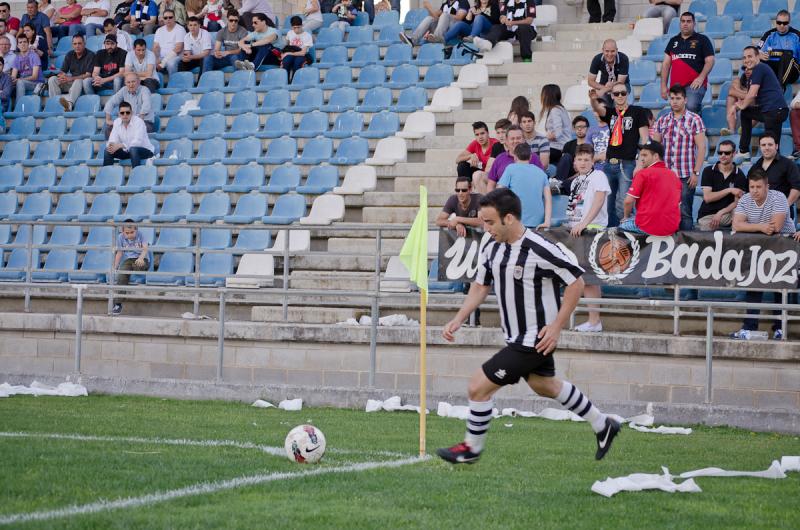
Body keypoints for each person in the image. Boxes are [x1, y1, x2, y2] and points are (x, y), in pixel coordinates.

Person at [436, 187, 621, 465]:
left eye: (489, 222)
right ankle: (602, 423)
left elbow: (576, 283)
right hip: (516, 337)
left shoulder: (539, 248)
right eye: (483, 222)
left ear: (508, 218)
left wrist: (557, 326)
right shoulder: (490, 245)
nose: (485, 228)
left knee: (478, 387)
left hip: (533, 339)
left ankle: (471, 450)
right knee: (544, 385)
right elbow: (480, 285)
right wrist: (458, 317)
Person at [730, 168, 796, 341]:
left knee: (779, 287)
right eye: (752, 187)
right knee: (754, 284)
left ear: (768, 186)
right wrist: (760, 227)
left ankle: (780, 328)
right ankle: (749, 327)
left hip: (782, 246)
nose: (754, 190)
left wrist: (752, 226)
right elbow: (737, 224)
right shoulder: (745, 198)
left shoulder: (779, 197)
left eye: (758, 187)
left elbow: (776, 227)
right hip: (758, 247)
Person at [589, 82, 650, 227]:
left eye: (623, 93)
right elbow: (598, 108)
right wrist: (593, 99)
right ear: (612, 96)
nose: (620, 96)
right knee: (607, 203)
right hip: (609, 163)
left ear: (627, 94)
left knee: (624, 202)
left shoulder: (638, 111)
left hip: (627, 163)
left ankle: (629, 234)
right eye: (616, 93)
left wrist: (640, 163)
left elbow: (645, 139)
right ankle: (611, 235)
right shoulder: (611, 113)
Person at [650, 84, 707, 231]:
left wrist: (696, 172)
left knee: (685, 212)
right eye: (672, 98)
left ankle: (686, 247)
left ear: (685, 100)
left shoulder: (694, 120)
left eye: (678, 98)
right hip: (666, 175)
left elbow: (701, 147)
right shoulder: (662, 120)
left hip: (686, 175)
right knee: (666, 211)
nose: (674, 101)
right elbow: (655, 149)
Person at [566, 144, 610, 332]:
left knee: (590, 277)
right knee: (583, 277)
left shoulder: (598, 176)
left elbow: (599, 200)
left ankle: (594, 321)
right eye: (580, 159)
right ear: (574, 162)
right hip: (577, 231)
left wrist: (584, 223)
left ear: (593, 161)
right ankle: (592, 320)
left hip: (592, 230)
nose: (583, 163)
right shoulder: (576, 180)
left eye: (586, 159)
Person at [736, 46, 790, 162]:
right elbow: (754, 98)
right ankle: (744, 150)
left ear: (757, 57)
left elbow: (752, 94)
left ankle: (777, 164)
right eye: (744, 57)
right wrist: (743, 105)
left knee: (771, 143)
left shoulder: (760, 68)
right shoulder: (755, 72)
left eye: (750, 56)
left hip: (775, 110)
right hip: (770, 110)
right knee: (745, 113)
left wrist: (741, 105)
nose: (747, 60)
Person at [620, 141, 681, 236]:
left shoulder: (643, 174)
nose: (641, 159)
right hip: (671, 228)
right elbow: (678, 205)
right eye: (641, 155)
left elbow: (628, 201)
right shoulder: (674, 175)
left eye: (645, 155)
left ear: (656, 156)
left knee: (618, 228)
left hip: (648, 227)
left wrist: (626, 217)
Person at [661, 12, 715, 114]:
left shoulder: (702, 40)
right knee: (677, 111)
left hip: (694, 85)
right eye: (683, 21)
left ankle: (697, 129)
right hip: (676, 86)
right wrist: (663, 86)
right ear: (680, 24)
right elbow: (666, 64)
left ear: (694, 24)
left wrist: (701, 78)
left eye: (688, 21)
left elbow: (710, 61)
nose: (685, 24)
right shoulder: (673, 41)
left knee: (690, 106)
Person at [696, 139, 747, 231]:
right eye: (720, 152)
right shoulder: (708, 170)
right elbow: (707, 198)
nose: (723, 155)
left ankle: (737, 242)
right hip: (707, 215)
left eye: (727, 153)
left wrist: (720, 213)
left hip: (726, 214)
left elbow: (737, 203)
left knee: (739, 212)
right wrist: (729, 190)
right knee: (707, 232)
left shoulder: (739, 175)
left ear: (734, 154)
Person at [498, 143, 551, 229]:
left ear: (515, 156)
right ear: (530, 157)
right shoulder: (541, 172)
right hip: (537, 222)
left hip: (515, 220)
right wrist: (547, 221)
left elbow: (499, 191)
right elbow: (548, 199)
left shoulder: (510, 168)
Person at [748, 132, 800, 206]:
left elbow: (797, 188)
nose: (766, 148)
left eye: (770, 144)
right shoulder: (755, 167)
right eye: (763, 145)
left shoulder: (788, 164)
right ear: (760, 147)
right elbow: (748, 189)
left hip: (780, 209)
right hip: (758, 210)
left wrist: (784, 207)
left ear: (776, 146)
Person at [486, 125, 542, 191]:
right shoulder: (499, 158)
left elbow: (541, 181)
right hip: (504, 198)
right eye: (512, 138)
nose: (515, 141)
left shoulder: (533, 157)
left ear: (524, 140)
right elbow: (491, 184)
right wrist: (492, 200)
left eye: (518, 138)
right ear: (506, 141)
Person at [47, 34, 94, 111]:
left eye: (79, 43)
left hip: (82, 84)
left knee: (78, 81)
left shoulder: (90, 55)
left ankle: (69, 105)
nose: (77, 46)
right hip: (71, 82)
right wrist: (61, 76)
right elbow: (63, 71)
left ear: (84, 44)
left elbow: (88, 75)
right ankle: (55, 104)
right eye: (75, 44)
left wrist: (71, 78)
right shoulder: (70, 54)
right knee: (52, 79)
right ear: (72, 45)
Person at [112, 221, 149, 315]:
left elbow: (145, 248)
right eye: (127, 233)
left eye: (132, 232)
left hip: (142, 258)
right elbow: (120, 253)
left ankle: (137, 265)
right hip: (129, 260)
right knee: (121, 274)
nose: (129, 235)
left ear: (136, 230)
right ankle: (118, 303)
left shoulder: (141, 235)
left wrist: (141, 258)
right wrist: (115, 266)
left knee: (138, 266)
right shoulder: (120, 237)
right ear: (123, 232)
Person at [757, 10, 800, 89]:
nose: (782, 25)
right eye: (779, 22)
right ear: (775, 22)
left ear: (789, 23)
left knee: (787, 55)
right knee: (756, 59)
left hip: (792, 71)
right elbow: (757, 51)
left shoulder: (797, 35)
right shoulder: (769, 34)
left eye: (785, 23)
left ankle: (779, 88)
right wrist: (759, 54)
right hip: (774, 69)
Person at [104, 100, 155, 168]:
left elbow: (137, 142)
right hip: (127, 151)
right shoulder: (116, 122)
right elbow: (112, 139)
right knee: (108, 150)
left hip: (145, 150)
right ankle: (107, 176)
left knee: (133, 149)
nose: (125, 115)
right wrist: (111, 145)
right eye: (122, 113)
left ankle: (136, 176)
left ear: (132, 113)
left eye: (127, 112)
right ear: (119, 114)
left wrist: (121, 145)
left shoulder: (138, 122)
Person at [588, 40, 629, 106]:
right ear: (603, 50)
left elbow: (620, 83)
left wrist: (604, 90)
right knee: (600, 105)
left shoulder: (623, 58)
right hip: (603, 85)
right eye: (607, 51)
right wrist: (604, 88)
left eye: (612, 51)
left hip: (622, 86)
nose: (609, 54)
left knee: (619, 102)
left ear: (617, 50)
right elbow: (590, 81)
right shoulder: (597, 59)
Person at [538, 84, 572, 165]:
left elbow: (558, 133)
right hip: (561, 147)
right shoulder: (561, 109)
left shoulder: (555, 110)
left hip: (557, 148)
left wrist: (545, 137)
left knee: (533, 156)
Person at [555, 116, 591, 187]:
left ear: (587, 128)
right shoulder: (568, 145)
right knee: (566, 156)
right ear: (574, 129)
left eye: (583, 127)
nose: (580, 129)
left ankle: (560, 185)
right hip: (566, 175)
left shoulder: (590, 146)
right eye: (577, 127)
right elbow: (563, 164)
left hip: (581, 175)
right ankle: (559, 184)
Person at [721, 66, 753, 138]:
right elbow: (731, 92)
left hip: (755, 106)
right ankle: (731, 130)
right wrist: (748, 94)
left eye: (750, 69)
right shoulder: (738, 79)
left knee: (755, 102)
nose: (746, 71)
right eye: (745, 69)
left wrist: (740, 93)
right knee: (730, 98)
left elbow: (755, 97)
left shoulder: (759, 80)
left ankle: (745, 128)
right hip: (740, 104)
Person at [152, 8, 185, 75]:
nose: (168, 19)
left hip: (176, 56)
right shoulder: (159, 30)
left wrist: (163, 62)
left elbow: (178, 49)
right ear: (163, 19)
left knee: (171, 63)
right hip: (161, 57)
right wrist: (156, 59)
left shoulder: (180, 29)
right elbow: (155, 47)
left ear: (174, 18)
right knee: (149, 63)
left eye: (170, 17)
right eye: (165, 18)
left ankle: (173, 83)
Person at [281, 16, 312, 83]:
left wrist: (289, 53)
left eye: (298, 27)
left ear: (302, 25)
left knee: (297, 63)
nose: (297, 30)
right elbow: (287, 46)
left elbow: (303, 53)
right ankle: (286, 81)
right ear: (291, 27)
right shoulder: (290, 33)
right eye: (294, 28)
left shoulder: (307, 35)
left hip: (302, 54)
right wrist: (284, 54)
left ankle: (294, 82)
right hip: (292, 52)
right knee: (286, 61)